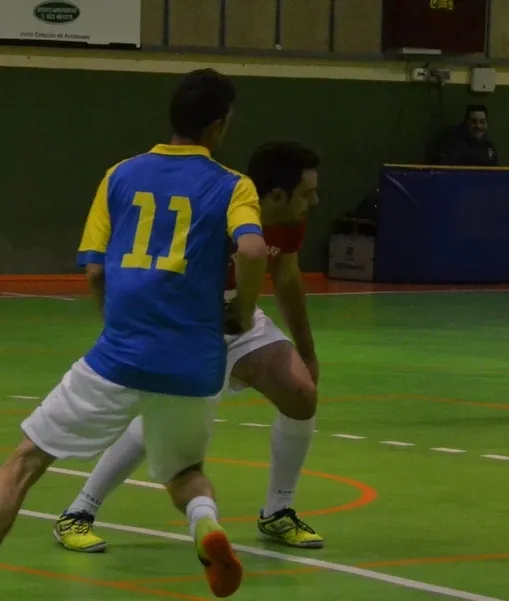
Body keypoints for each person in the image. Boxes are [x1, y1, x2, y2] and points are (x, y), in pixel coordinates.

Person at [0, 68, 268, 598]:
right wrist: (243, 310)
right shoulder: (233, 184)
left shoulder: (120, 175)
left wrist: (112, 319)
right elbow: (254, 249)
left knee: (23, 463)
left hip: (121, 354)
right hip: (195, 363)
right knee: (184, 471)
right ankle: (205, 526)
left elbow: (94, 270)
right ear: (218, 126)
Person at [53, 139, 324, 554]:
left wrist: (306, 351)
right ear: (274, 196)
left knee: (301, 393)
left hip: (240, 317)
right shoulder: (219, 208)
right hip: (189, 323)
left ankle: (277, 512)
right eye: (307, 193)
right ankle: (79, 511)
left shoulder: (289, 220)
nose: (315, 201)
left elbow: (286, 278)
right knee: (161, 421)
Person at [429, 104, 499, 166]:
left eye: (482, 122)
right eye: (473, 122)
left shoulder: (489, 147)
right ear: (466, 123)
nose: (478, 126)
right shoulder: (452, 145)